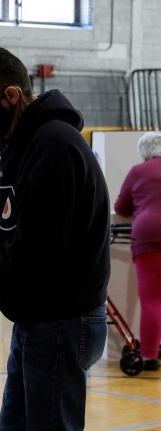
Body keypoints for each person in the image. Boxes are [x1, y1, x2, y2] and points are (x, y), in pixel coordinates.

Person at [0, 45, 110, 431]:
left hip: (61, 318)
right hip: (36, 318)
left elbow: (35, 253)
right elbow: (4, 232)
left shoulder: (54, 146)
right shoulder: (19, 147)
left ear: (11, 95)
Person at [114, 131, 161, 371]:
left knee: (152, 301)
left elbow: (121, 208)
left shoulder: (138, 172)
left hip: (149, 236)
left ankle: (151, 357)